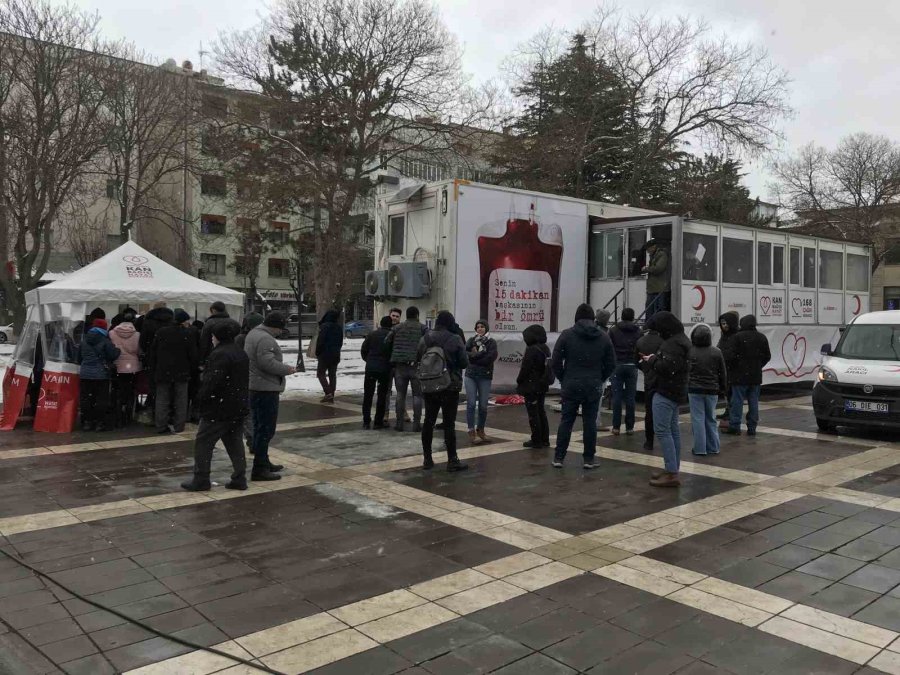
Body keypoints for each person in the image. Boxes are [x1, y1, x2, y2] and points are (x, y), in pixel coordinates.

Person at [181, 319, 250, 492]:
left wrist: (201, 399)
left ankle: (201, 478)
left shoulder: (219, 354)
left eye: (212, 335)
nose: (211, 338)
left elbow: (212, 382)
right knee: (235, 442)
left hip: (218, 408)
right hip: (237, 405)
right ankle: (239, 477)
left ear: (217, 336)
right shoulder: (239, 352)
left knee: (204, 443)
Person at [551, 304, 616, 469]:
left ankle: (559, 457)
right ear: (593, 318)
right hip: (593, 384)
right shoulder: (603, 337)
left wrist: (563, 377)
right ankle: (588, 458)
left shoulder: (567, 335)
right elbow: (611, 363)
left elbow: (556, 360)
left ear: (576, 317)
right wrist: (599, 378)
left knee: (566, 421)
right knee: (590, 422)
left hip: (571, 382)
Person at [245, 311, 295, 481]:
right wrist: (287, 369)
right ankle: (259, 468)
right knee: (265, 429)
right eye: (281, 328)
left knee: (260, 427)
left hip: (257, 386)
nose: (281, 332)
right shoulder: (265, 338)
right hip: (265, 388)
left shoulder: (254, 333)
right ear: (275, 326)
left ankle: (264, 462)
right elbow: (267, 363)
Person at [643, 311, 691, 487]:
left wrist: (653, 359)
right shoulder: (682, 339)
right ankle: (672, 468)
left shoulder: (672, 344)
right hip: (677, 390)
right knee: (673, 431)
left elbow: (667, 367)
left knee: (663, 431)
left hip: (665, 391)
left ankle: (671, 473)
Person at [418, 310, 469, 471]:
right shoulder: (455, 338)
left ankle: (427, 459)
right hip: (450, 385)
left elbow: (418, 356)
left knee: (429, 421)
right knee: (449, 423)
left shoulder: (426, 338)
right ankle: (452, 460)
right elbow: (464, 362)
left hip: (430, 385)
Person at [149, 309, 198, 434]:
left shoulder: (161, 332)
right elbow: (192, 355)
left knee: (162, 399)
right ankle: (179, 426)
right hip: (182, 371)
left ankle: (161, 425)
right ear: (183, 321)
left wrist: (154, 368)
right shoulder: (187, 334)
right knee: (181, 400)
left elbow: (153, 352)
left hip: (162, 370)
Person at [724, 315, 771, 436]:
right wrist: (758, 365)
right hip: (755, 376)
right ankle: (752, 427)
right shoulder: (762, 337)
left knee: (737, 402)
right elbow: (767, 356)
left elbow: (730, 356)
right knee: (753, 401)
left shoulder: (737, 337)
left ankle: (735, 426)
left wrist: (733, 367)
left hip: (739, 376)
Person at [384, 306, 426, 432]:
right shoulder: (422, 327)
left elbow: (386, 341)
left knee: (400, 395)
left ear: (406, 316)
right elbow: (429, 341)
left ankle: (399, 423)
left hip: (400, 366)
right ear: (417, 316)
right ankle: (416, 424)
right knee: (417, 395)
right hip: (416, 366)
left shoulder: (397, 327)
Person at [688, 324, 727, 456]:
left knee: (697, 419)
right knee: (711, 418)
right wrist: (723, 389)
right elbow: (722, 373)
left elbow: (687, 372)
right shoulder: (717, 352)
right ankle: (714, 447)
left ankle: (699, 448)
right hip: (712, 390)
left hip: (694, 390)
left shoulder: (690, 351)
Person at [77, 319, 120, 431]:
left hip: (85, 374)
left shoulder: (84, 340)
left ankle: (87, 422)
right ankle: (99, 423)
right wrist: (117, 350)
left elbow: (78, 358)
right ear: (104, 328)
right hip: (101, 374)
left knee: (86, 399)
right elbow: (113, 355)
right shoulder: (105, 341)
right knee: (101, 399)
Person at [516, 324, 551, 449]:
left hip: (531, 386)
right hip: (542, 385)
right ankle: (545, 438)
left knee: (533, 413)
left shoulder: (532, 349)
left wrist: (519, 380)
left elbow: (526, 368)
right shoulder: (545, 348)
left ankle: (536, 439)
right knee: (541, 411)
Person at [608, 307, 641, 435]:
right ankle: (630, 427)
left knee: (617, 396)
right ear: (633, 317)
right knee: (630, 397)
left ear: (621, 316)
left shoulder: (613, 330)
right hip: (632, 365)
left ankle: (616, 426)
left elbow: (609, 347)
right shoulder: (638, 331)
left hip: (617, 365)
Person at [464, 319, 498, 444]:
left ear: (486, 328)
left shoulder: (491, 342)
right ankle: (471, 430)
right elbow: (466, 354)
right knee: (471, 404)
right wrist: (479, 355)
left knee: (483, 406)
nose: (480, 328)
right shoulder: (471, 341)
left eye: (482, 326)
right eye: (477, 326)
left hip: (485, 376)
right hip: (471, 376)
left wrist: (475, 357)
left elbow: (490, 358)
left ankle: (481, 429)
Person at [235, 312, 265, 447]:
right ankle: (253, 439)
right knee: (251, 412)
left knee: (250, 412)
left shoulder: (243, 338)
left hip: (249, 379)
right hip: (251, 380)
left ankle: (253, 438)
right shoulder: (250, 338)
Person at [635, 321, 664, 452]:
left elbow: (636, 360)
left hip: (648, 378)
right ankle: (665, 439)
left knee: (649, 411)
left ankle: (649, 441)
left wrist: (645, 369)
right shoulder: (664, 341)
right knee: (665, 411)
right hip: (662, 379)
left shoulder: (641, 341)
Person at [360, 316, 393, 429]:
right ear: (390, 325)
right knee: (382, 395)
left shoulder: (372, 335)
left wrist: (368, 360)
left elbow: (364, 349)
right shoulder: (392, 336)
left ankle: (366, 420)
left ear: (381, 324)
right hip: (385, 369)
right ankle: (378, 421)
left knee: (368, 395)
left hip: (371, 368)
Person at [109, 310, 141, 427]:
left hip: (117, 365)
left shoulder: (112, 333)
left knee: (118, 390)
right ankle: (128, 413)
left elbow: (111, 350)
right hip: (132, 366)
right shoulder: (137, 334)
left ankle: (117, 413)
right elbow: (137, 351)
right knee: (130, 390)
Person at [315, 309, 343, 403]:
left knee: (320, 374)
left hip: (324, 354)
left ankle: (328, 393)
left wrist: (318, 352)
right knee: (332, 375)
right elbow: (340, 342)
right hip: (335, 354)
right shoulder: (338, 327)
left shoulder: (325, 326)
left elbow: (320, 341)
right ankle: (332, 394)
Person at [716, 311, 740, 421]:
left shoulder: (736, 336)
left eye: (726, 323)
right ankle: (728, 410)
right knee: (727, 392)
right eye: (722, 323)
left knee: (733, 394)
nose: (724, 326)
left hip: (733, 369)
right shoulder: (724, 336)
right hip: (724, 369)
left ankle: (732, 413)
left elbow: (734, 354)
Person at [642, 239, 670, 319]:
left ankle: (657, 328)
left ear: (653, 247)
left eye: (648, 249)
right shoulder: (654, 255)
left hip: (659, 289)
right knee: (649, 311)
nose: (647, 251)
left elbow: (659, 268)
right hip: (652, 289)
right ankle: (649, 327)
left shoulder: (662, 255)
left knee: (659, 311)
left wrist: (646, 269)